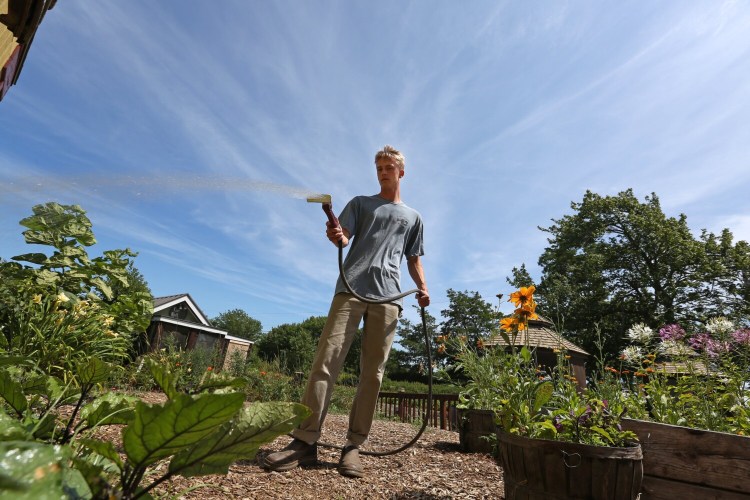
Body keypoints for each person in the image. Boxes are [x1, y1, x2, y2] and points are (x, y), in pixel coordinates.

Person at [263, 145, 430, 478]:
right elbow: (343, 240)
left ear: (401, 172)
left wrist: (424, 288)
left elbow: (414, 259)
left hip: (390, 297)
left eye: (388, 167)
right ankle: (305, 441)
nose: (383, 172)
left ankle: (353, 447)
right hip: (350, 289)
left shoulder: (413, 217)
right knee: (325, 362)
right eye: (379, 167)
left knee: (373, 374)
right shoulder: (361, 203)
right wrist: (337, 234)